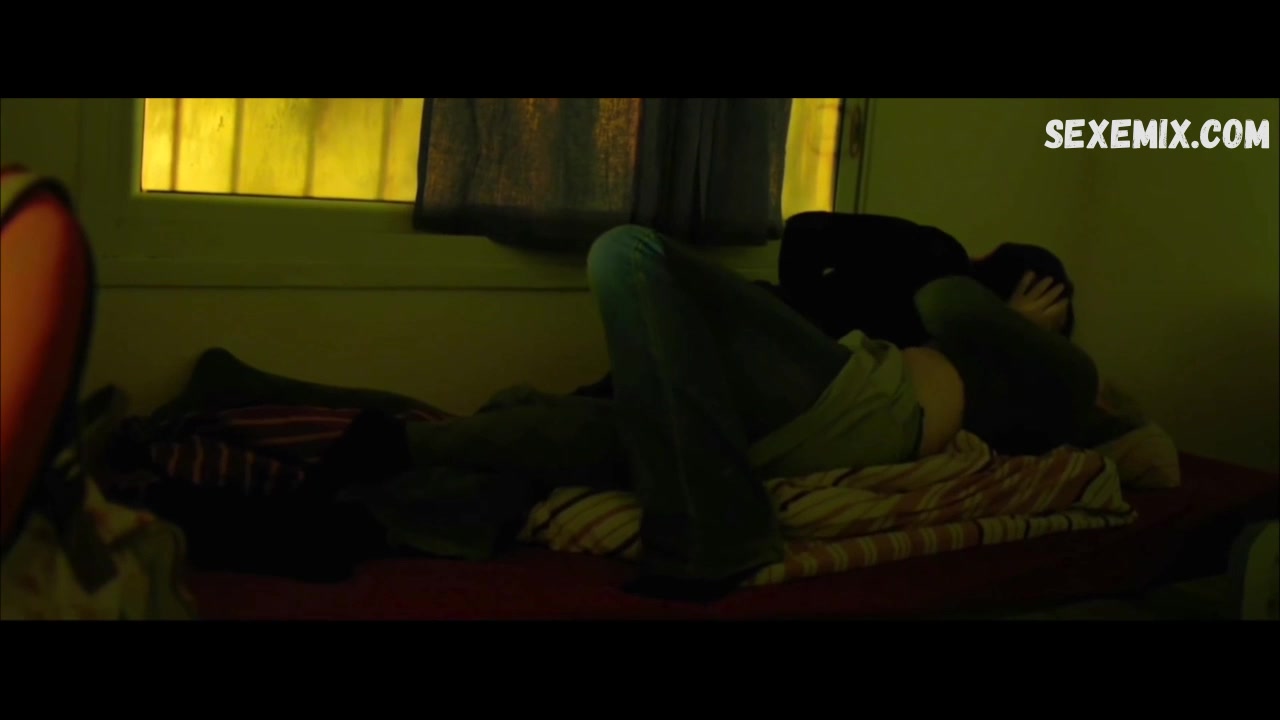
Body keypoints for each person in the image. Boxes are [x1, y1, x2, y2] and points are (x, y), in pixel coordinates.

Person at [320, 223, 1114, 602]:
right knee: (556, 419)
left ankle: (718, 534)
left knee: (629, 254)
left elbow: (944, 298)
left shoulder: (1064, 374)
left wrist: (1010, 310)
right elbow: (816, 244)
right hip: (799, 413)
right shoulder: (968, 333)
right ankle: (393, 458)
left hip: (868, 409)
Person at [574, 212, 1077, 399]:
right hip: (761, 323)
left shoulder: (954, 353)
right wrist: (802, 315)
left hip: (774, 350)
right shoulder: (939, 256)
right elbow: (805, 230)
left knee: (624, 402)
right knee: (619, 395)